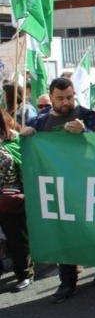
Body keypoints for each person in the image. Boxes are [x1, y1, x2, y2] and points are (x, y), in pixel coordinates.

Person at [20, 78, 95, 302]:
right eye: (60, 98)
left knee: (93, 228)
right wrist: (27, 136)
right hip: (58, 188)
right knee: (64, 233)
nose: (66, 102)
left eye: (69, 97)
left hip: (87, 184)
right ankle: (67, 281)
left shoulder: (87, 115)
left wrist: (86, 131)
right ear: (50, 97)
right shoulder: (40, 122)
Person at [0, 109, 31, 294]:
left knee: (16, 239)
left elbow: (24, 165)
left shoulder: (13, 140)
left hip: (9, 198)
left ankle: (24, 274)